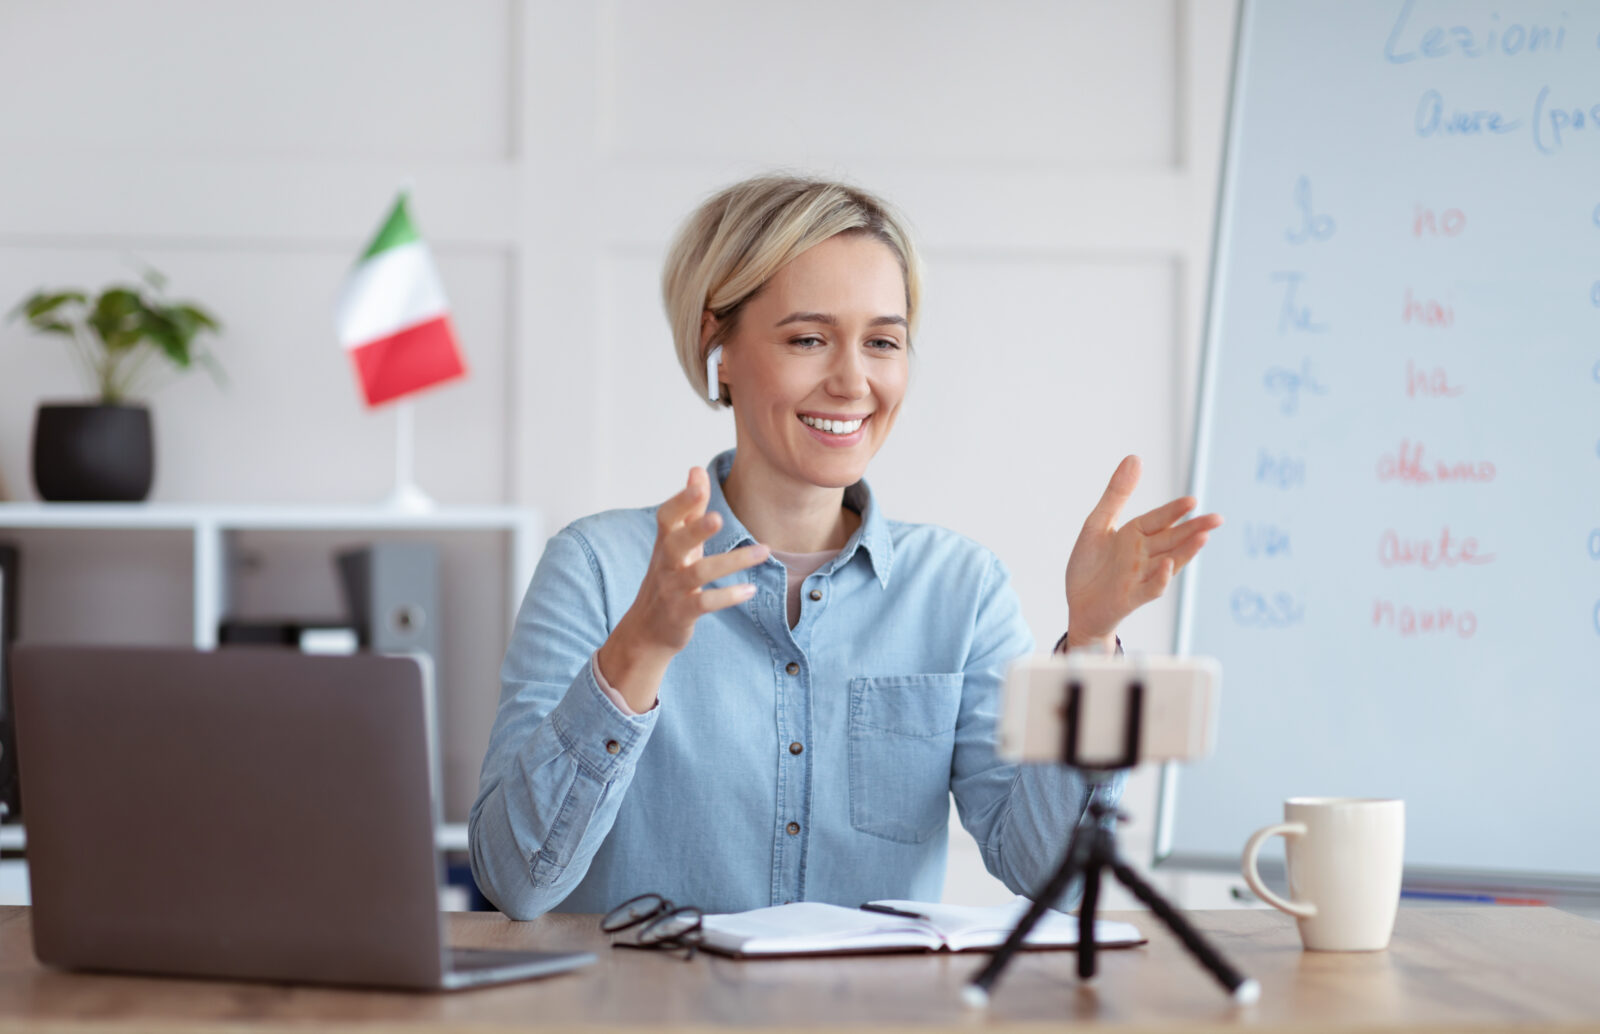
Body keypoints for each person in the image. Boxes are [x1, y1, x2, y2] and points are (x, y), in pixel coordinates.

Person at [469, 175, 1220, 920]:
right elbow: (516, 882)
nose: (853, 380)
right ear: (717, 346)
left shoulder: (961, 589)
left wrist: (1090, 643)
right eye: (808, 339)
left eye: (883, 342)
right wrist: (638, 650)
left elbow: (1050, 872)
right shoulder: (597, 569)